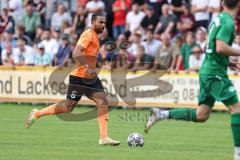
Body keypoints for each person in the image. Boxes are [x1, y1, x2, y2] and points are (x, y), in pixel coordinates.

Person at [145, 1, 240, 160]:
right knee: (237, 110)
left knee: (202, 114)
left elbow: (209, 47)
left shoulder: (218, 18)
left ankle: (161, 114)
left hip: (208, 70)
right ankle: (238, 153)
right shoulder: (229, 22)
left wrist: (227, 61)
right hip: (214, 73)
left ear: (223, 4)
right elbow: (220, 47)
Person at [25, 13, 120, 146]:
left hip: (90, 77)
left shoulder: (95, 37)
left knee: (103, 102)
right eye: (100, 22)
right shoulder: (88, 34)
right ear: (93, 22)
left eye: (104, 22)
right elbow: (76, 53)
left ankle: (103, 137)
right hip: (79, 77)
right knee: (68, 107)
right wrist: (87, 66)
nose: (103, 25)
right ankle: (37, 113)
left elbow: (89, 56)